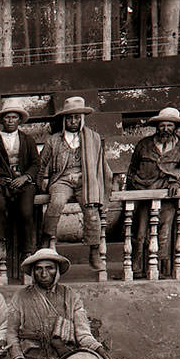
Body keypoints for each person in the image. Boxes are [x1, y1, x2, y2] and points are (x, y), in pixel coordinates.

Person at [38, 96, 112, 270]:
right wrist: (42, 181)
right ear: (64, 120)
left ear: (82, 119)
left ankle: (94, 250)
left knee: (91, 209)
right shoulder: (54, 140)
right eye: (70, 118)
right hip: (62, 179)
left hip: (85, 180)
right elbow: (42, 164)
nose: (73, 121)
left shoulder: (93, 138)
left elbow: (101, 164)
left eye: (77, 117)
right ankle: (46, 238)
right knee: (56, 202)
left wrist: (104, 185)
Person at [126, 106, 180, 279]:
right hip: (144, 194)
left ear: (175, 127)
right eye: (162, 125)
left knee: (164, 234)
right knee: (141, 233)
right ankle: (138, 269)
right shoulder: (144, 145)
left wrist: (179, 183)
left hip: (168, 196)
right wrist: (134, 188)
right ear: (157, 126)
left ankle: (162, 270)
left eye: (169, 125)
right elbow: (132, 170)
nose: (165, 129)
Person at [0, 100, 41, 277]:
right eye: (7, 117)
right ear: (2, 120)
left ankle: (27, 250)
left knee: (26, 211)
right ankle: (0, 240)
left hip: (24, 183)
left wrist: (25, 177)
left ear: (19, 120)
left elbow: (35, 163)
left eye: (14, 117)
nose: (10, 120)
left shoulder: (28, 139)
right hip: (1, 182)